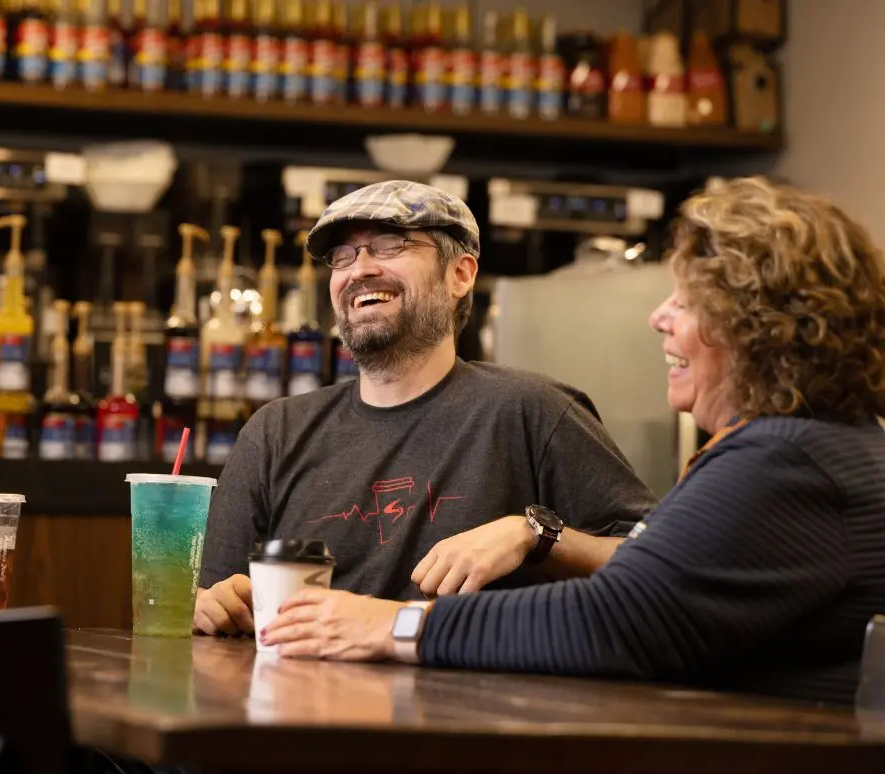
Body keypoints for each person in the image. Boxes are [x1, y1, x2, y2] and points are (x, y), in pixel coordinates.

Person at [261, 177, 885, 707]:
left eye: (687, 301)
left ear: (756, 328)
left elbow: (612, 619)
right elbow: (647, 568)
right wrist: (539, 536)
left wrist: (387, 623)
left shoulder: (787, 461)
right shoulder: (808, 447)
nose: (658, 316)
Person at [194, 180, 658, 635]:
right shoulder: (276, 432)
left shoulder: (532, 411)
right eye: (343, 256)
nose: (359, 270)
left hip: (465, 707)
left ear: (460, 274)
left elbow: (660, 565)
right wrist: (210, 607)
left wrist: (535, 536)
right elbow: (211, 601)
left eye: (390, 245)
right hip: (299, 704)